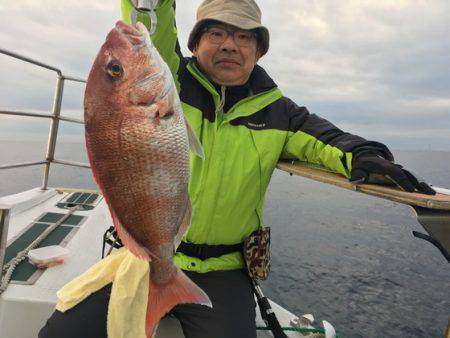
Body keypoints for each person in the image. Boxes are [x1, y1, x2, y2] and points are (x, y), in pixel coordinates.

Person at [39, 0, 435, 337]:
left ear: (259, 50)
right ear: (194, 45)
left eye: (244, 36)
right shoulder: (170, 82)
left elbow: (331, 142)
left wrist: (367, 157)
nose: (230, 45)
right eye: (216, 34)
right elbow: (148, 19)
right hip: (143, 259)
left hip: (225, 271)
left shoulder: (279, 112)